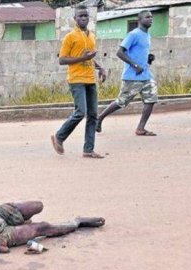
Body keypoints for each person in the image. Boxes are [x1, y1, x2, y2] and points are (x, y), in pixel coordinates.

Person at [51, 5, 107, 159]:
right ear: (74, 19)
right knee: (80, 112)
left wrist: (100, 68)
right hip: (76, 79)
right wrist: (83, 58)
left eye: (86, 16)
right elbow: (62, 60)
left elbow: (90, 57)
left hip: (90, 79)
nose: (83, 18)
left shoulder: (91, 35)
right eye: (80, 16)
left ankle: (88, 149)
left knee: (93, 115)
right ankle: (59, 137)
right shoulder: (70, 37)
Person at [96, 10, 158, 136]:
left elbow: (139, 53)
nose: (151, 19)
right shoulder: (133, 34)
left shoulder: (147, 35)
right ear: (140, 20)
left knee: (151, 99)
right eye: (147, 17)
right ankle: (100, 118)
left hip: (146, 75)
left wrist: (148, 58)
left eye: (151, 17)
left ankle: (140, 128)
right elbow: (120, 52)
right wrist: (134, 65)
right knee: (121, 101)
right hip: (132, 76)